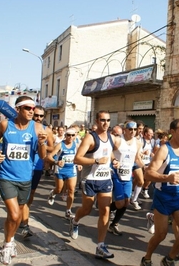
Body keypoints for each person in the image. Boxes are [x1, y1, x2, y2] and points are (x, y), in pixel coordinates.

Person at [0, 96, 48, 265]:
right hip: (6, 176)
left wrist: (43, 144)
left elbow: (43, 157)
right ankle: (7, 246)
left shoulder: (37, 128)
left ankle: (11, 238)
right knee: (15, 214)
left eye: (33, 109)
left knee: (16, 216)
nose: (32, 111)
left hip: (25, 178)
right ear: (18, 109)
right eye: (27, 108)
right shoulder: (5, 125)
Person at [140, 118, 179, 266]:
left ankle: (169, 259)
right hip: (163, 198)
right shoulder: (164, 150)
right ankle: (147, 258)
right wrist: (167, 177)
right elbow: (148, 174)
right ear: (172, 132)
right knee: (160, 235)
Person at [70, 110, 118, 259]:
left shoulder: (112, 138)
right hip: (90, 179)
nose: (106, 123)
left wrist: (114, 161)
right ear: (97, 121)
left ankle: (100, 246)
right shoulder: (90, 138)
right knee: (87, 209)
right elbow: (77, 159)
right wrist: (96, 161)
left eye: (108, 120)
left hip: (105, 180)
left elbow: (109, 152)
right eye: (102, 120)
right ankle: (75, 220)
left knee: (105, 211)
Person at [20, 106, 54, 237]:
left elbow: (52, 147)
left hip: (36, 166)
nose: (38, 118)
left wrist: (42, 143)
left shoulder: (46, 130)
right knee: (20, 196)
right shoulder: (23, 126)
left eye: (41, 116)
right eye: (36, 115)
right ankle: (21, 220)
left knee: (30, 196)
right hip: (22, 165)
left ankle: (24, 223)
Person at [108, 120, 144, 235]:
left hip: (127, 174)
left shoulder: (138, 143)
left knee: (126, 202)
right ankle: (105, 209)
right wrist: (114, 160)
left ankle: (114, 224)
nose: (133, 132)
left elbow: (137, 158)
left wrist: (146, 167)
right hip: (116, 174)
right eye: (130, 129)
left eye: (135, 129)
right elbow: (109, 152)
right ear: (125, 130)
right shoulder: (118, 140)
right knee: (119, 203)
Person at [47, 128, 81, 218]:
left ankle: (68, 210)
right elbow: (49, 156)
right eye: (68, 135)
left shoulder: (76, 145)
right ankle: (53, 193)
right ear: (65, 136)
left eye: (72, 135)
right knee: (59, 189)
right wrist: (56, 162)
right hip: (60, 170)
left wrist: (79, 164)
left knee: (71, 190)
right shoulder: (60, 145)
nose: (70, 137)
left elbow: (79, 157)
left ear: (75, 136)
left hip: (71, 170)